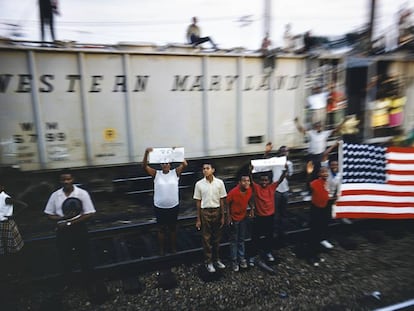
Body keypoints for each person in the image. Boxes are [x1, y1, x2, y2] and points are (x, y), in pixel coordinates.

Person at [44, 169, 96, 287]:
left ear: (73, 179)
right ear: (60, 181)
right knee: (64, 258)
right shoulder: (55, 195)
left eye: (68, 179)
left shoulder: (82, 194)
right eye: (63, 179)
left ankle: (89, 283)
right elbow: (48, 214)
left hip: (79, 229)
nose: (66, 182)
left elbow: (90, 213)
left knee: (84, 256)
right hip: (62, 231)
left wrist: (69, 223)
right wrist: (61, 218)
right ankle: (69, 284)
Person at [142, 147, 188, 255]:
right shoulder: (156, 174)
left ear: (170, 164)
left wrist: (177, 153)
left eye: (167, 163)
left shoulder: (175, 173)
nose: (165, 165)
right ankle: (162, 250)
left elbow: (185, 164)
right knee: (161, 229)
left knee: (172, 229)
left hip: (173, 206)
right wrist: (146, 153)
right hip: (160, 207)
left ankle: (172, 248)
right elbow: (144, 166)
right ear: (160, 165)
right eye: (163, 163)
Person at [249, 162, 287, 266]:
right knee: (255, 237)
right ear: (259, 181)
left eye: (266, 180)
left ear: (269, 181)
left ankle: (268, 252)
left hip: (270, 217)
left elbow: (280, 180)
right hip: (259, 217)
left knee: (268, 236)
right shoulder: (257, 188)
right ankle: (253, 256)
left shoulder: (272, 187)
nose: (264, 182)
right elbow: (251, 181)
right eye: (262, 180)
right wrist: (250, 170)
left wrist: (285, 170)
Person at [193, 163, 227, 273]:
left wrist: (223, 215)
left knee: (217, 238)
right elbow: (198, 202)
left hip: (216, 210)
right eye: (203, 169)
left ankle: (217, 259)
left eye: (207, 168)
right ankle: (208, 261)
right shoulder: (199, 184)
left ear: (213, 170)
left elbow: (222, 200)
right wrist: (198, 218)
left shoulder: (220, 183)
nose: (205, 171)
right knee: (206, 238)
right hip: (205, 212)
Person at [294, 117, 347, 182]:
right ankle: (310, 187)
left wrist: (343, 122)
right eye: (317, 126)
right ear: (314, 127)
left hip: (320, 156)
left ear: (322, 127)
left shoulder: (325, 133)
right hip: (312, 156)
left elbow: (336, 130)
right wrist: (297, 123)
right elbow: (302, 130)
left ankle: (320, 185)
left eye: (320, 126)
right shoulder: (311, 133)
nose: (318, 127)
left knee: (320, 172)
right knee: (309, 172)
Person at [264, 143, 294, 241]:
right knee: (275, 213)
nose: (284, 153)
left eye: (286, 151)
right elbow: (265, 161)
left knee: (283, 213)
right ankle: (274, 233)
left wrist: (286, 168)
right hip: (276, 190)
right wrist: (267, 152)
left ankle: (282, 233)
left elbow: (290, 177)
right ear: (280, 153)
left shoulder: (289, 163)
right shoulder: (275, 161)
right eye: (283, 151)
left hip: (285, 190)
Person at [306, 165, 332, 266]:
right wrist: (309, 174)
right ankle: (311, 257)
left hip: (324, 209)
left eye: (326, 172)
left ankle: (317, 254)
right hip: (316, 210)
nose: (325, 174)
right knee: (314, 234)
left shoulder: (328, 183)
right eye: (323, 172)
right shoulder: (315, 183)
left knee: (321, 232)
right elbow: (309, 185)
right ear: (319, 174)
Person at [226, 175, 253, 272]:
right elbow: (227, 204)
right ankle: (234, 261)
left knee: (241, 239)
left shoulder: (249, 190)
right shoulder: (233, 192)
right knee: (234, 240)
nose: (246, 183)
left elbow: (249, 199)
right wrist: (229, 218)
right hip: (234, 219)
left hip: (243, 217)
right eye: (244, 181)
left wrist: (252, 209)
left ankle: (241, 258)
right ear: (239, 182)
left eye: (248, 181)